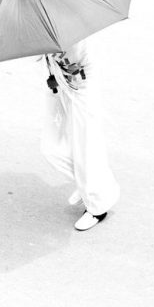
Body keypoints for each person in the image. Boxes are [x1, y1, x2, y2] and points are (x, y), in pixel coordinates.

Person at [40, 38, 120, 231]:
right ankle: (89, 184)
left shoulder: (71, 32)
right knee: (50, 149)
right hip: (59, 89)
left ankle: (97, 208)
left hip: (80, 90)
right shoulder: (45, 28)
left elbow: (78, 70)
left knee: (85, 148)